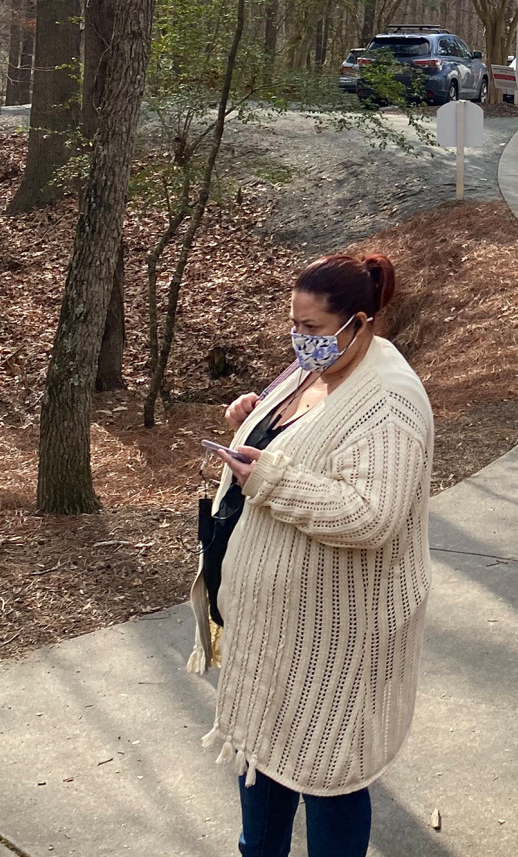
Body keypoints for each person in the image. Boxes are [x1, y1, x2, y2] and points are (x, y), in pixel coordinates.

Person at [190, 253, 434, 857]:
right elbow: (296, 443)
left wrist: (269, 476)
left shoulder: (391, 402)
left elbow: (371, 515)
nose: (303, 341)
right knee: (264, 757)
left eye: (316, 330)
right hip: (275, 628)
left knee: (329, 771)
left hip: (337, 635)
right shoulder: (308, 370)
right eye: (295, 326)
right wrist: (254, 421)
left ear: (360, 321)